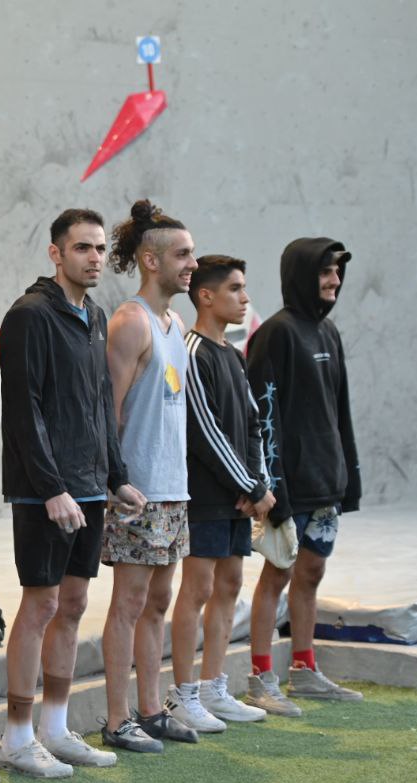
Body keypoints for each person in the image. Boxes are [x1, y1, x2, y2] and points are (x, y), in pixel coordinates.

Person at [0, 208, 146, 779]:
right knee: (41, 604)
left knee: (74, 603)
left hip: (87, 486)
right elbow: (23, 409)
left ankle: (55, 729)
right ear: (56, 254)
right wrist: (51, 488)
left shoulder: (96, 316)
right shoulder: (30, 315)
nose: (94, 257)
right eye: (82, 247)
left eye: (100, 248)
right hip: (44, 492)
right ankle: (16, 737)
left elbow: (101, 402)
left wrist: (116, 476)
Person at [243, 238, 363, 715]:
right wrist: (272, 486)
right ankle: (260, 678)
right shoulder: (276, 334)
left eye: (337, 272)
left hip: (325, 482)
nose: (334, 280)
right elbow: (262, 417)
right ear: (301, 275)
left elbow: (341, 410)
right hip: (287, 486)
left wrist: (348, 478)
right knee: (278, 574)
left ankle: (304, 670)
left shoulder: (328, 332)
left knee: (312, 573)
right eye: (325, 271)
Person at [100, 199, 198, 754]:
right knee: (128, 605)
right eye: (182, 255)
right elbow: (109, 415)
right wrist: (117, 484)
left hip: (172, 488)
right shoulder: (130, 322)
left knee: (159, 602)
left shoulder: (175, 322)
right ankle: (117, 719)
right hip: (137, 492)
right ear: (150, 260)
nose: (192, 264)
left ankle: (152, 709)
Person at [166, 255, 273, 733]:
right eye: (235, 289)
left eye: (244, 288)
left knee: (229, 586)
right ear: (205, 296)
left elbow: (252, 424)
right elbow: (204, 432)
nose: (245, 298)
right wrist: (248, 486)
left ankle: (213, 688)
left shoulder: (233, 353)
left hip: (237, 496)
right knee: (198, 590)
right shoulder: (192, 351)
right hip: (205, 496)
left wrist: (258, 484)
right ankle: (183, 694)